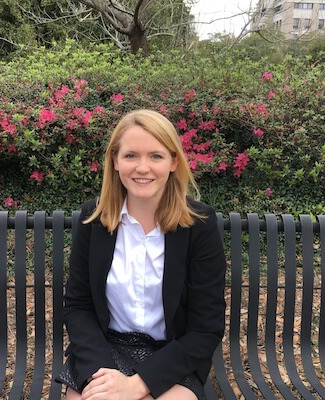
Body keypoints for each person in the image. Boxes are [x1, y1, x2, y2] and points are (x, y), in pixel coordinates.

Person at [56, 109, 226, 399]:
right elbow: (78, 306)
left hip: (172, 357)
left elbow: (205, 329)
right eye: (131, 155)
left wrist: (137, 385)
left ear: (174, 161)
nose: (142, 168)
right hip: (103, 352)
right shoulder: (94, 219)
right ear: (115, 160)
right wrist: (105, 375)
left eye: (156, 156)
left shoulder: (199, 225)